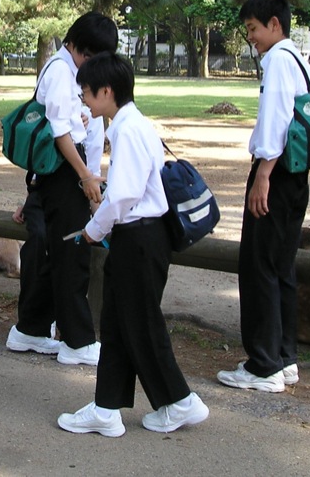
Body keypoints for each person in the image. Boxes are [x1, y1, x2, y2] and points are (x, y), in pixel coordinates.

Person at [58, 52, 208, 437]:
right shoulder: (133, 125)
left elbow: (123, 195)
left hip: (139, 236)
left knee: (140, 323)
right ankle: (106, 407)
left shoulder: (126, 130)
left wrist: (93, 229)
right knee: (119, 322)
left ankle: (180, 401)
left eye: (88, 93)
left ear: (107, 91)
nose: (85, 101)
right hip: (143, 235)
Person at [5, 12, 118, 367]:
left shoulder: (70, 71)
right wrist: (85, 174)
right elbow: (59, 133)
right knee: (72, 254)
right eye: (96, 55)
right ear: (81, 47)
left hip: (67, 169)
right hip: (63, 169)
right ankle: (77, 341)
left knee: (61, 251)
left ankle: (31, 329)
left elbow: (79, 123)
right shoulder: (58, 71)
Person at [217, 0, 310, 393]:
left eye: (253, 29)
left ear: (275, 24)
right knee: (281, 266)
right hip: (297, 175)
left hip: (275, 172)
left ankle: (263, 365)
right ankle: (284, 357)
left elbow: (275, 121)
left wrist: (262, 176)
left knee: (258, 267)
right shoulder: (300, 60)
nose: (251, 38)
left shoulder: (277, 61)